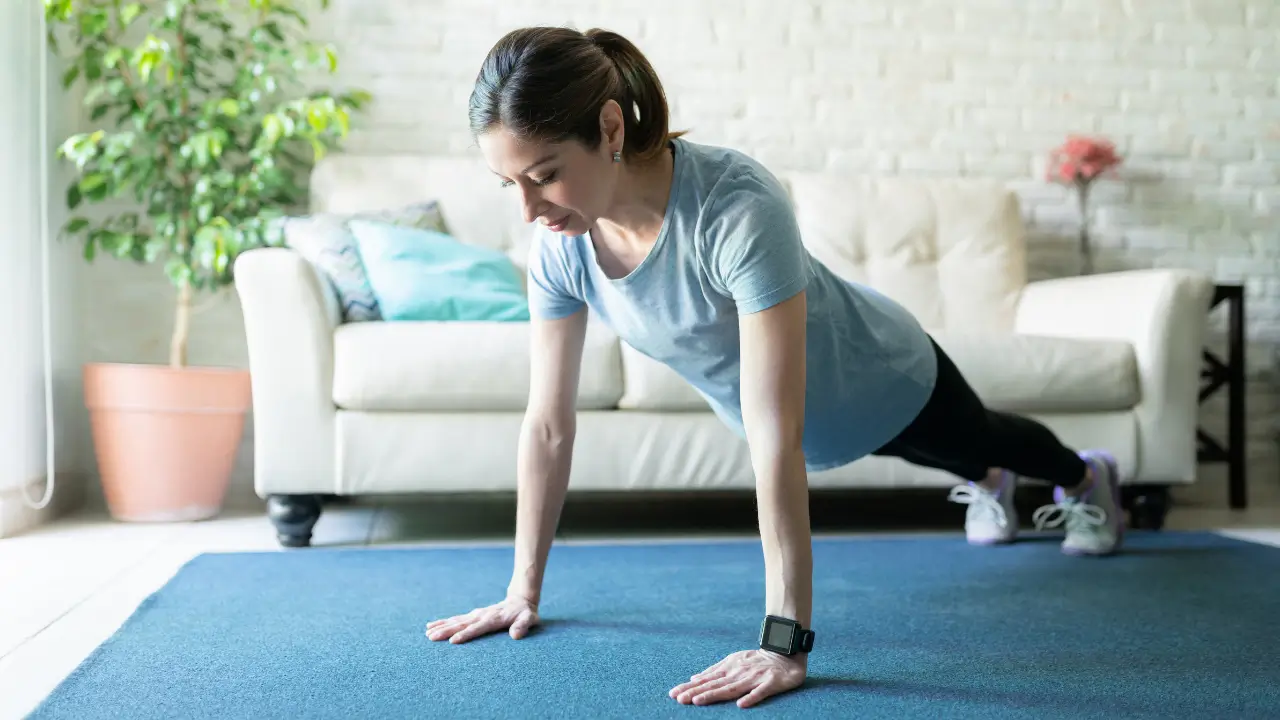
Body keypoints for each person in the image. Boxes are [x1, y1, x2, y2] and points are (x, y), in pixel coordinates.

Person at [425, 26, 1125, 709]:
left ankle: (1084, 475)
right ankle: (987, 481)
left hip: (883, 379)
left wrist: (783, 643)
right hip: (807, 428)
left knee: (981, 439)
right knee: (965, 461)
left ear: (610, 129)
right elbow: (548, 425)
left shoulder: (734, 206)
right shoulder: (561, 249)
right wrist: (522, 591)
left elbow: (773, 429)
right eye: (507, 183)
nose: (527, 209)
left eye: (544, 176)